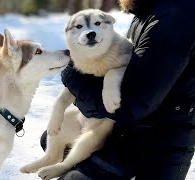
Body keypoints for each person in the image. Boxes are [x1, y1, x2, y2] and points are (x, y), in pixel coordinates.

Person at [40, 0, 195, 179]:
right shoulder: (148, 11)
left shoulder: (176, 16)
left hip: (159, 143)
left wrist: (72, 75)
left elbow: (134, 104)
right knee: (53, 138)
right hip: (129, 132)